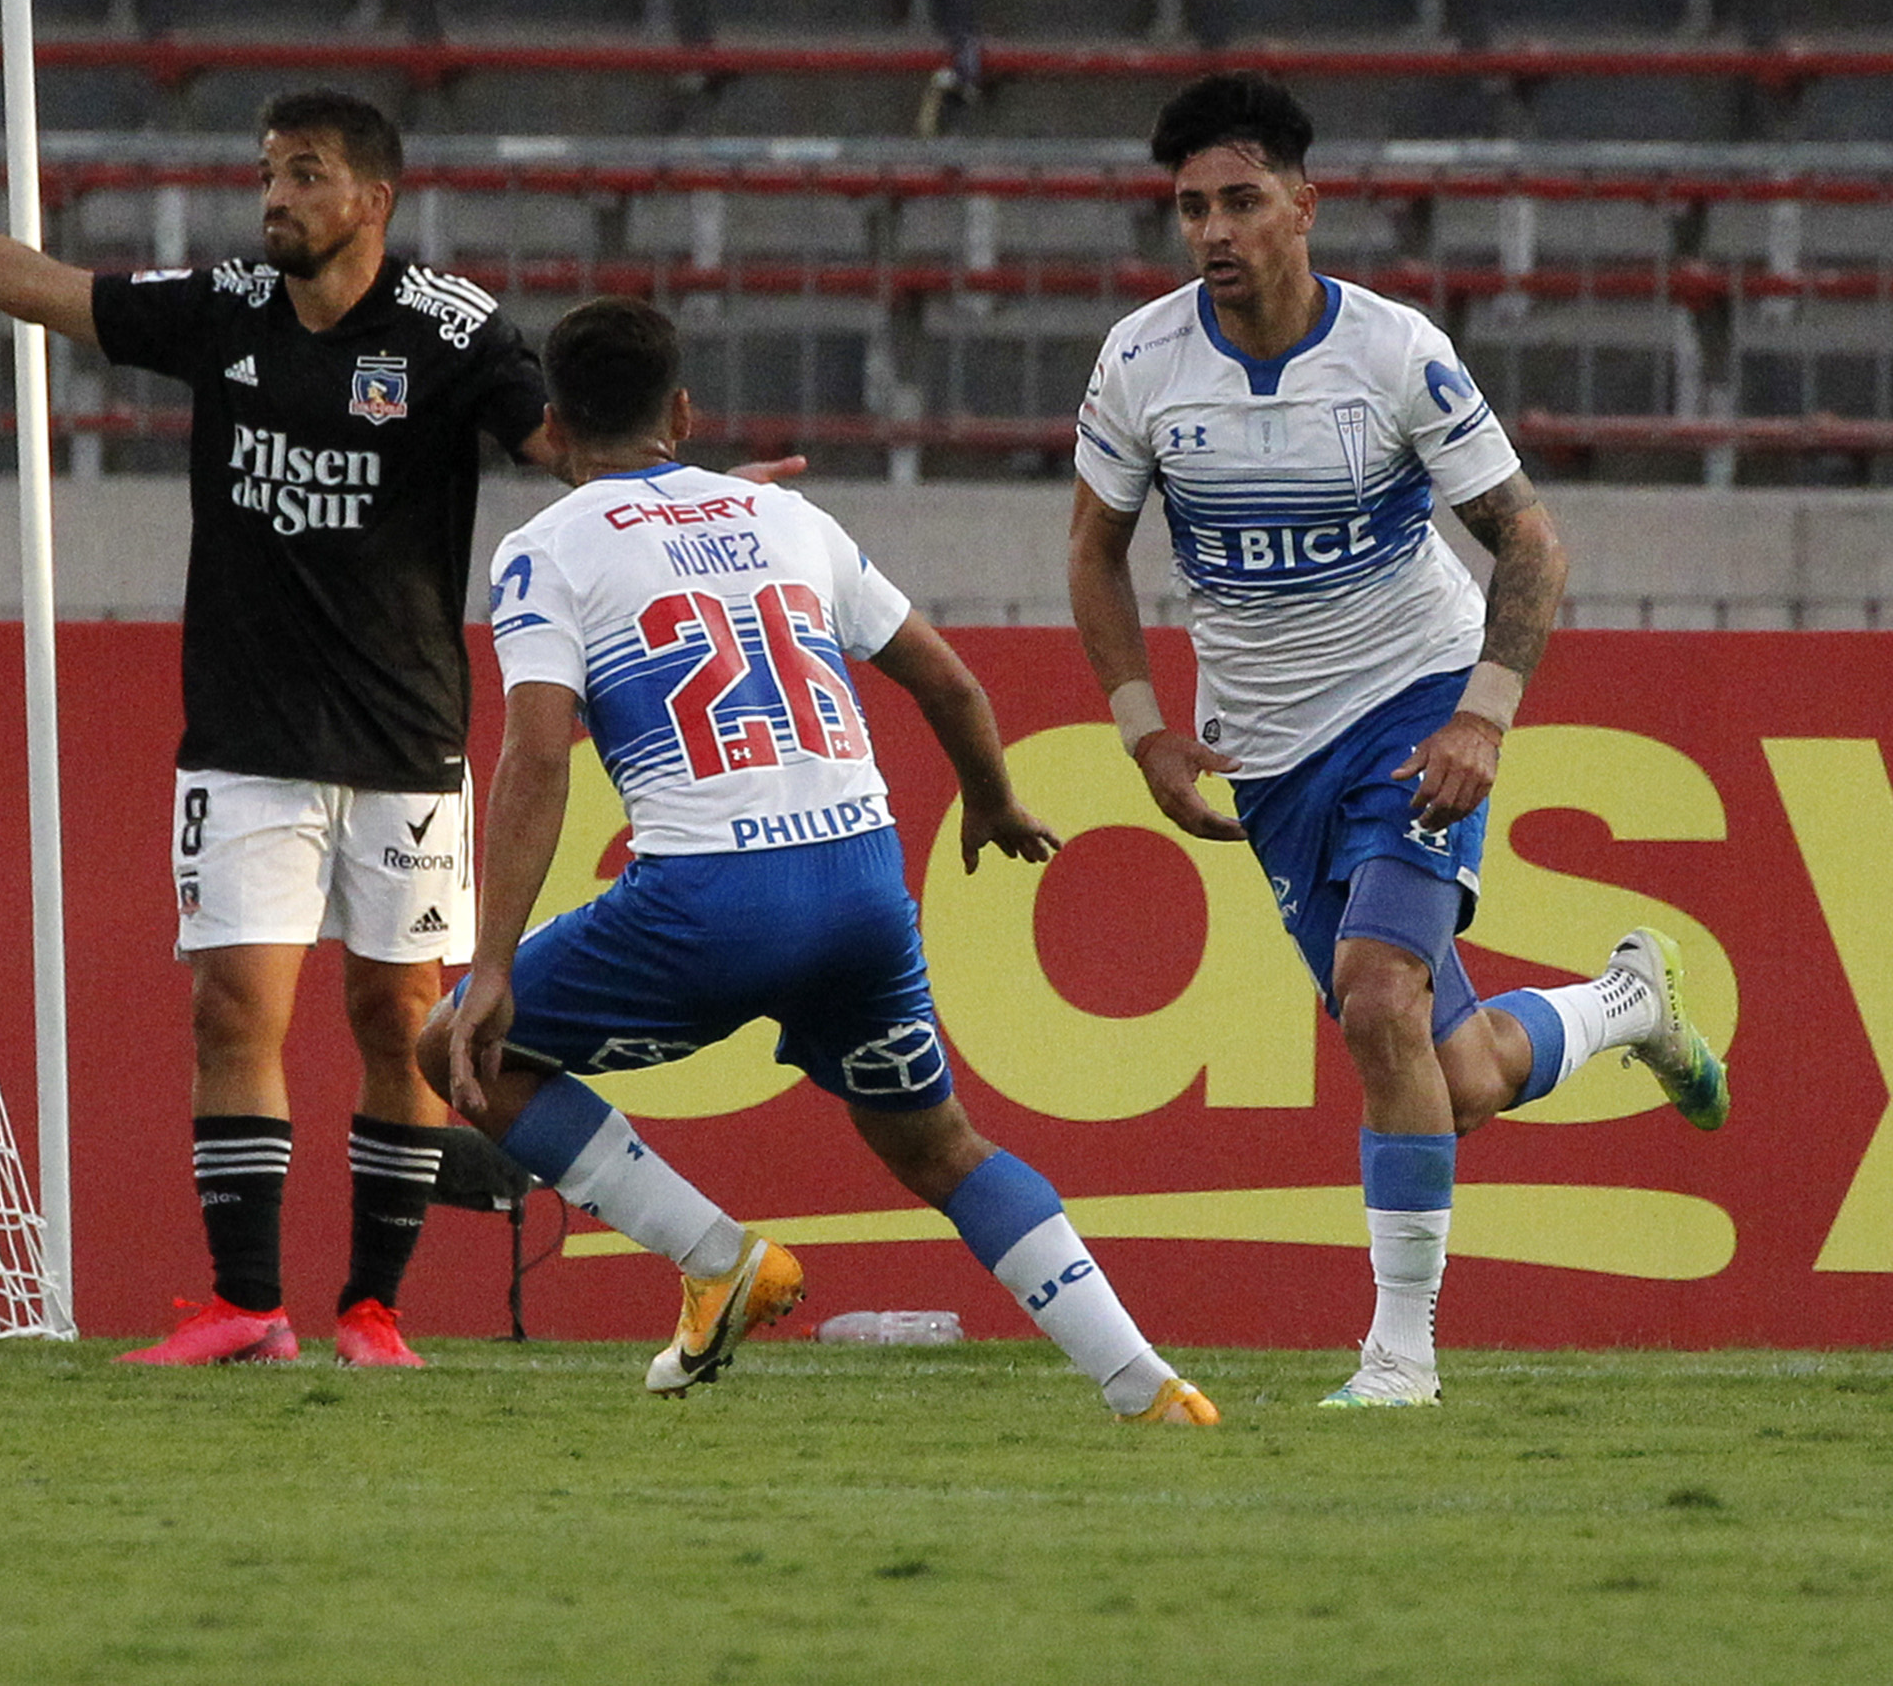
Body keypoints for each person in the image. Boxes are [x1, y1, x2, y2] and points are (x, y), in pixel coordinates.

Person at [0, 91, 556, 1368]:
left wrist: (683, 493)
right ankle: (249, 1304)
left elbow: (561, 445)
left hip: (407, 744)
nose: (275, 196)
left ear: (372, 199)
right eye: (266, 173)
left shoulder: (448, 331)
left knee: (397, 1016)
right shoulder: (227, 308)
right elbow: (45, 288)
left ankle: (373, 1310)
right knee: (234, 1010)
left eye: (304, 174)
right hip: (244, 739)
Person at [1067, 71, 1729, 1409]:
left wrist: (1484, 709)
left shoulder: (1394, 356)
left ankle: (1400, 1358)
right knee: (1447, 1067)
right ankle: (1623, 1006)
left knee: (1377, 994)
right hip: (1265, 751)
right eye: (1190, 206)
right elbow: (1094, 550)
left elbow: (1530, 538)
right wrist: (1144, 731)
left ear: (1305, 206)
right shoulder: (1142, 363)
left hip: (1413, 700)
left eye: (1241, 200)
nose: (1213, 230)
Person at [435, 296, 1217, 1423]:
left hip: (706, 902)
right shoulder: (783, 518)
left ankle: (714, 1261)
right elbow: (947, 682)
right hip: (858, 884)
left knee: (451, 1044)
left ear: (550, 426)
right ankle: (1146, 1385)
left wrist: (495, 959)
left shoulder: (540, 549)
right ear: (685, 410)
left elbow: (535, 759)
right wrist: (992, 802)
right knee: (941, 1148)